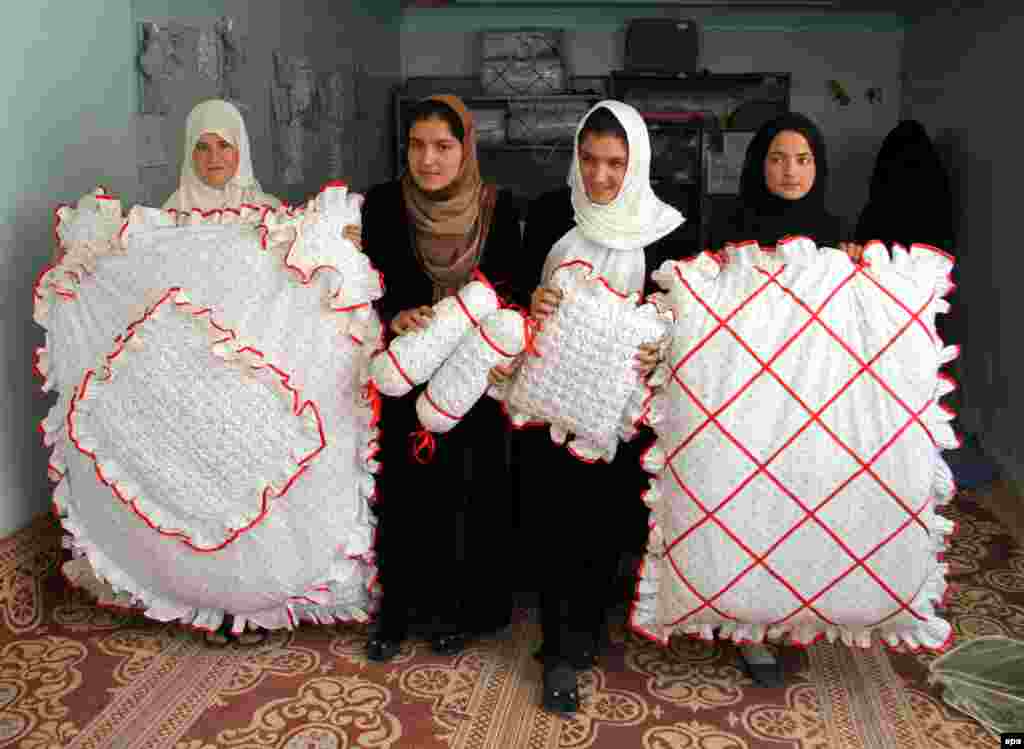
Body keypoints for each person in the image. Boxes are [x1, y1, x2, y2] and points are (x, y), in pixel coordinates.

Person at [167, 99, 361, 645]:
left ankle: (256, 597)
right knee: (205, 494)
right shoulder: (164, 219)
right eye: (201, 147)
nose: (212, 158)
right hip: (196, 377)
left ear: (241, 148)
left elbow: (295, 281)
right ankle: (209, 599)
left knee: (255, 489)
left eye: (223, 145)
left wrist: (338, 247)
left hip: (254, 380)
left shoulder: (270, 214)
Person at [514, 100, 684, 714]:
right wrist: (529, 304)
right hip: (554, 400)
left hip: (626, 409)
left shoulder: (669, 228)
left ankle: (588, 624)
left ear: (636, 162)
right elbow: (516, 293)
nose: (600, 177)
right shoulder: (549, 213)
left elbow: (684, 317)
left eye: (615, 163)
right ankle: (561, 647)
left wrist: (661, 349)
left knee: (609, 522)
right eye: (589, 159)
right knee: (558, 518)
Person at [360, 95, 528, 663]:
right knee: (404, 493)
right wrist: (394, 316)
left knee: (468, 490)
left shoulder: (497, 207)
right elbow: (369, 284)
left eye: (443, 146)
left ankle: (459, 611)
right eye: (417, 145)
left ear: (466, 149)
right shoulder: (383, 204)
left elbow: (514, 289)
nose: (428, 160)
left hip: (471, 378)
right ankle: (397, 612)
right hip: (404, 371)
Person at [705, 111, 852, 687]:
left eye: (803, 159)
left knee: (803, 506)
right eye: (777, 158)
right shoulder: (730, 228)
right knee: (752, 510)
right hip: (747, 397)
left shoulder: (838, 232)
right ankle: (750, 631)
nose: (790, 171)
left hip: (812, 396)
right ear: (757, 164)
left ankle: (793, 613)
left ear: (819, 166)